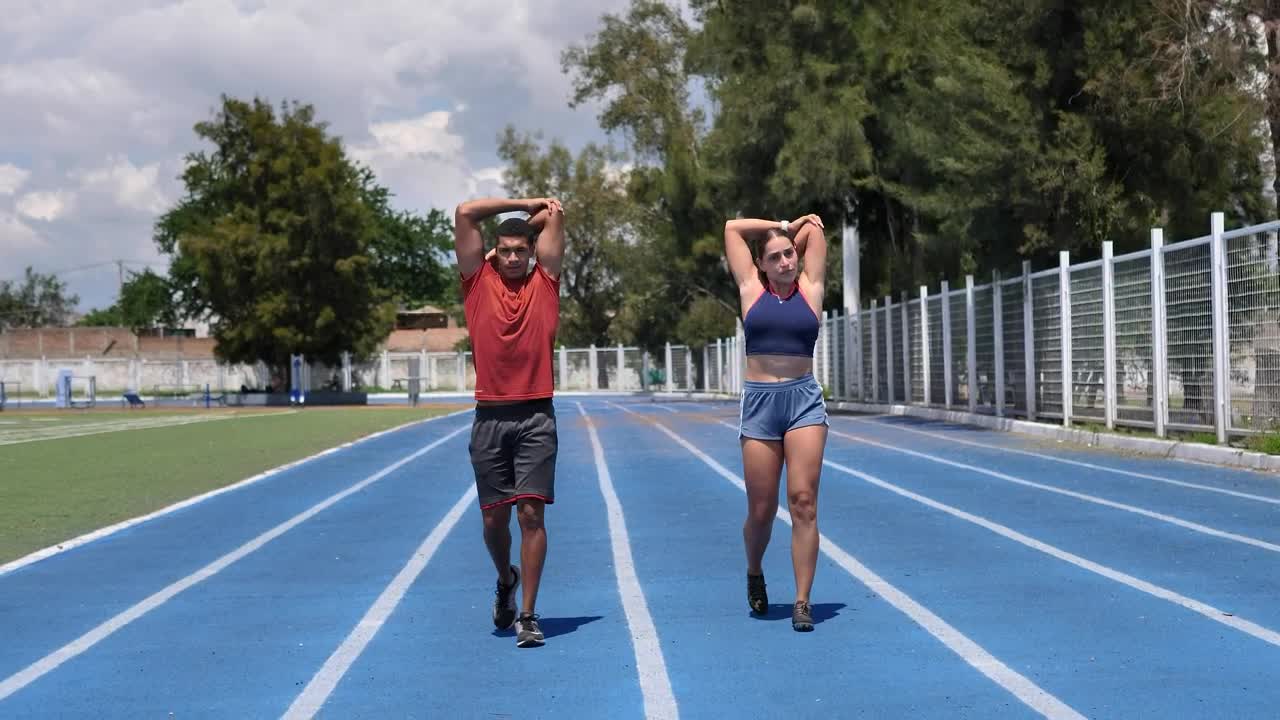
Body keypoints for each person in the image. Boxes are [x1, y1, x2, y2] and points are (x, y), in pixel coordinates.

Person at [454, 196, 565, 648]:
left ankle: (529, 615)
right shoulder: (476, 281)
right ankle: (506, 577)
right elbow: (466, 213)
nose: (514, 257)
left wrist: (537, 217)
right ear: (493, 253)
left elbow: (554, 215)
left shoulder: (546, 280)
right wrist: (522, 204)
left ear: (533, 251)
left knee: (530, 513)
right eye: (506, 251)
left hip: (536, 415)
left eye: (522, 250)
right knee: (494, 521)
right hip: (490, 418)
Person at [723, 212, 829, 632]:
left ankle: (802, 601)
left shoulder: (811, 287)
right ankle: (754, 568)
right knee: (762, 509)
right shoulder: (751, 288)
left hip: (804, 402)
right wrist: (785, 225)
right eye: (775, 257)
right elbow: (732, 229)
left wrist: (798, 231)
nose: (785, 261)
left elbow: (816, 229)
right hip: (760, 404)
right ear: (761, 265)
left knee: (803, 501)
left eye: (789, 254)